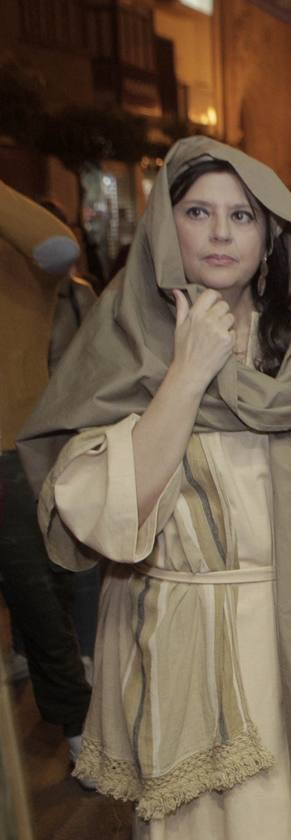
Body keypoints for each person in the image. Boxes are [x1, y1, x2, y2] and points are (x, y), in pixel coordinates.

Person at [18, 136, 291, 840]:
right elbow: (100, 516)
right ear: (167, 227)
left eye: (242, 216)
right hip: (196, 644)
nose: (221, 232)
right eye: (199, 212)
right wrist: (186, 377)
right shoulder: (125, 348)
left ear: (269, 242)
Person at [0, 179, 93, 780]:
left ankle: (81, 728)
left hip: (10, 455)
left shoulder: (28, 263)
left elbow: (59, 246)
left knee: (38, 601)